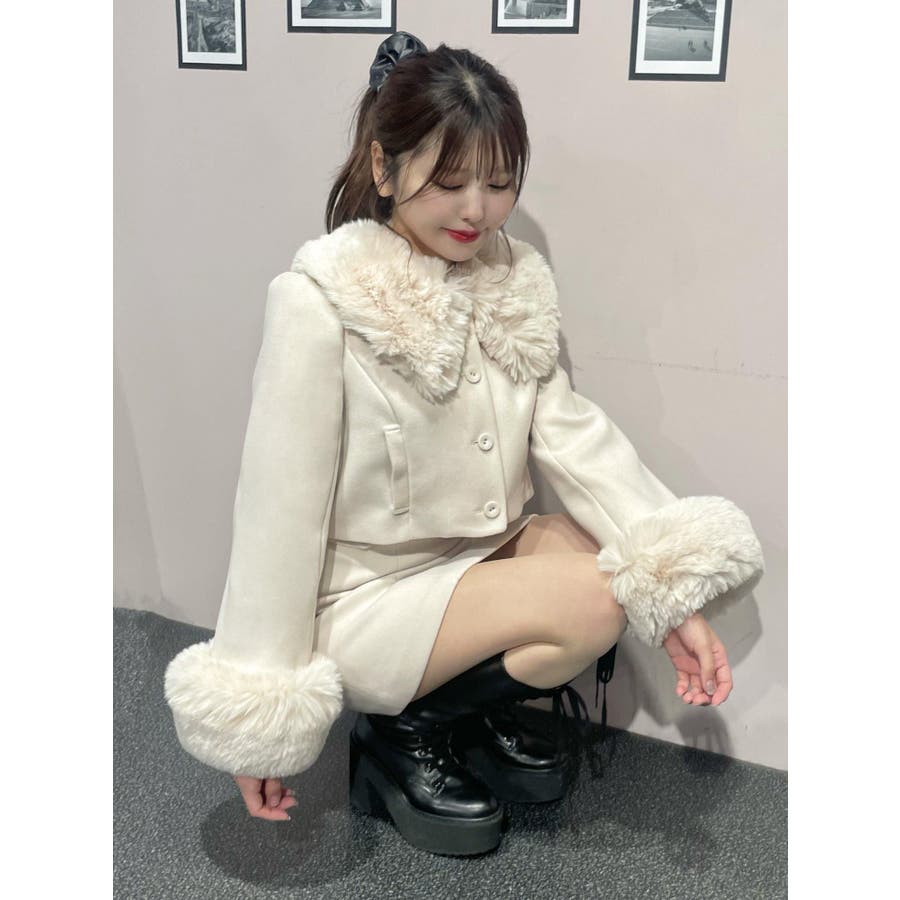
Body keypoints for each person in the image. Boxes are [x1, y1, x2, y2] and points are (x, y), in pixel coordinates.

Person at [163, 32, 764, 857]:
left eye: (499, 181)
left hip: (474, 566)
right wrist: (258, 722)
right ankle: (402, 731)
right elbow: (278, 512)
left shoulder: (512, 280)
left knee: (602, 555)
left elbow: (575, 439)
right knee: (594, 596)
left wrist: (675, 598)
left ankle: (457, 717)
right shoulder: (320, 300)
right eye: (449, 182)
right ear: (384, 168)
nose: (477, 210)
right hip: (370, 599)